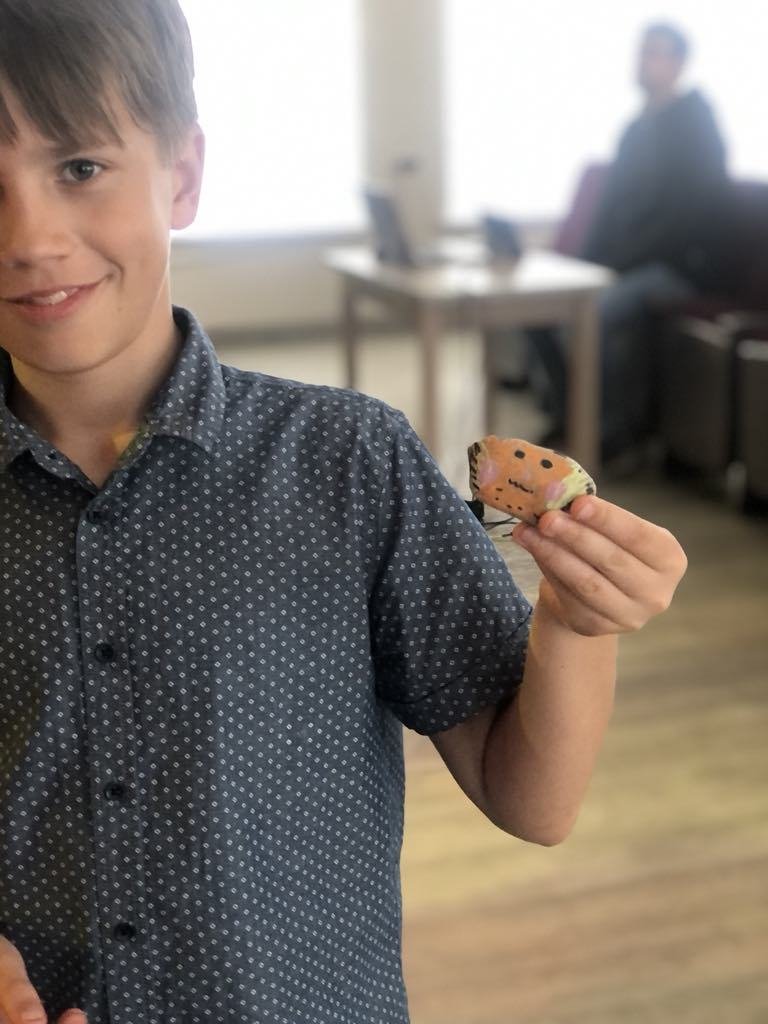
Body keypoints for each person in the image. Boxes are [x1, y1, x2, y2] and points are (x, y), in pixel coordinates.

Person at [0, 3, 687, 1023]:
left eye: (81, 167)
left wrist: (578, 622)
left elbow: (532, 798)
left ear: (182, 173)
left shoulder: (348, 462)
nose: (27, 237)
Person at [529, 21, 728, 459]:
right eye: (641, 52)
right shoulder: (635, 129)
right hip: (625, 265)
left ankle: (610, 435)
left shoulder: (696, 124)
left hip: (675, 267)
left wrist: (618, 265)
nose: (643, 62)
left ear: (678, 63)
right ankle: (569, 419)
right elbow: (607, 210)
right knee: (539, 311)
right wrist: (580, 266)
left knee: (594, 314)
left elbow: (688, 217)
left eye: (654, 53)